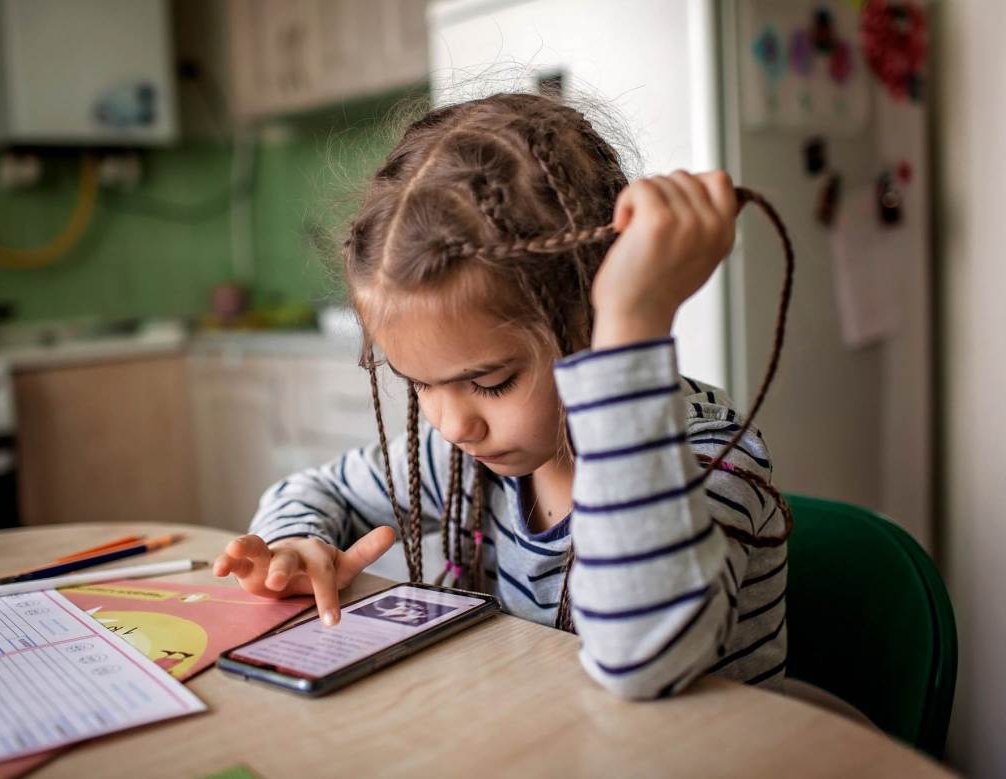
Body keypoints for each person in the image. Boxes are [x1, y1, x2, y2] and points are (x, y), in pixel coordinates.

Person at [213, 92, 789, 699]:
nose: (453, 424)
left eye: (490, 383)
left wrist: (632, 326)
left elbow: (642, 660)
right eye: (420, 385)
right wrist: (295, 545)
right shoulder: (464, 463)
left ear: (590, 321)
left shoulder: (712, 461)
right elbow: (311, 490)